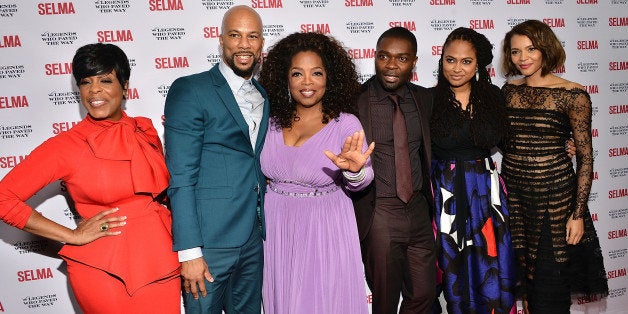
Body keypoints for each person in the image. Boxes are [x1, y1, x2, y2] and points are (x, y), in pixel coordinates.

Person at [0, 43, 180, 312]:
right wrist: (71, 235)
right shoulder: (67, 145)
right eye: (85, 82)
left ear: (125, 86)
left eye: (105, 80)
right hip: (101, 269)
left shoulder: (145, 131)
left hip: (160, 258)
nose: (94, 90)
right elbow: (4, 198)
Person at [257, 32, 375, 314]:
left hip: (324, 227)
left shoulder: (345, 123)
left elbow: (363, 179)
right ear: (285, 79)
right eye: (298, 73)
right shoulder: (270, 121)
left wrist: (356, 171)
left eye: (316, 73)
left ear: (329, 79)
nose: (307, 82)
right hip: (277, 228)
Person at [163, 5, 268, 313]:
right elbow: (180, 176)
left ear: (262, 44)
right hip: (208, 244)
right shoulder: (191, 89)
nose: (244, 44)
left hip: (252, 237)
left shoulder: (263, 95)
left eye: (253, 36)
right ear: (221, 41)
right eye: (235, 35)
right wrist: (189, 252)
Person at [500, 19, 608, 313]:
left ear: (546, 48)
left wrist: (577, 214)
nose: (523, 58)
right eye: (515, 51)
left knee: (552, 286)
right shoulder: (508, 92)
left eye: (531, 49)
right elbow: (499, 139)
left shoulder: (573, 94)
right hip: (516, 203)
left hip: (555, 203)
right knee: (528, 286)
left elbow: (586, 156)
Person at [430, 27, 515, 313]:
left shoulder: (493, 97)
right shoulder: (428, 101)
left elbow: (510, 142)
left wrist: (563, 144)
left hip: (486, 193)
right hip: (446, 194)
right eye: (450, 60)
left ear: (478, 64)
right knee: (454, 266)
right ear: (441, 61)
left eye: (466, 61)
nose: (456, 68)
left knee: (490, 261)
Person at [351, 26, 436, 313]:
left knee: (424, 295)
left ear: (413, 62)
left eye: (401, 58)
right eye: (384, 56)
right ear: (375, 57)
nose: (391, 65)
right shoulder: (354, 101)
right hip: (379, 213)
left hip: (419, 210)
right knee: (384, 300)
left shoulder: (425, 99)